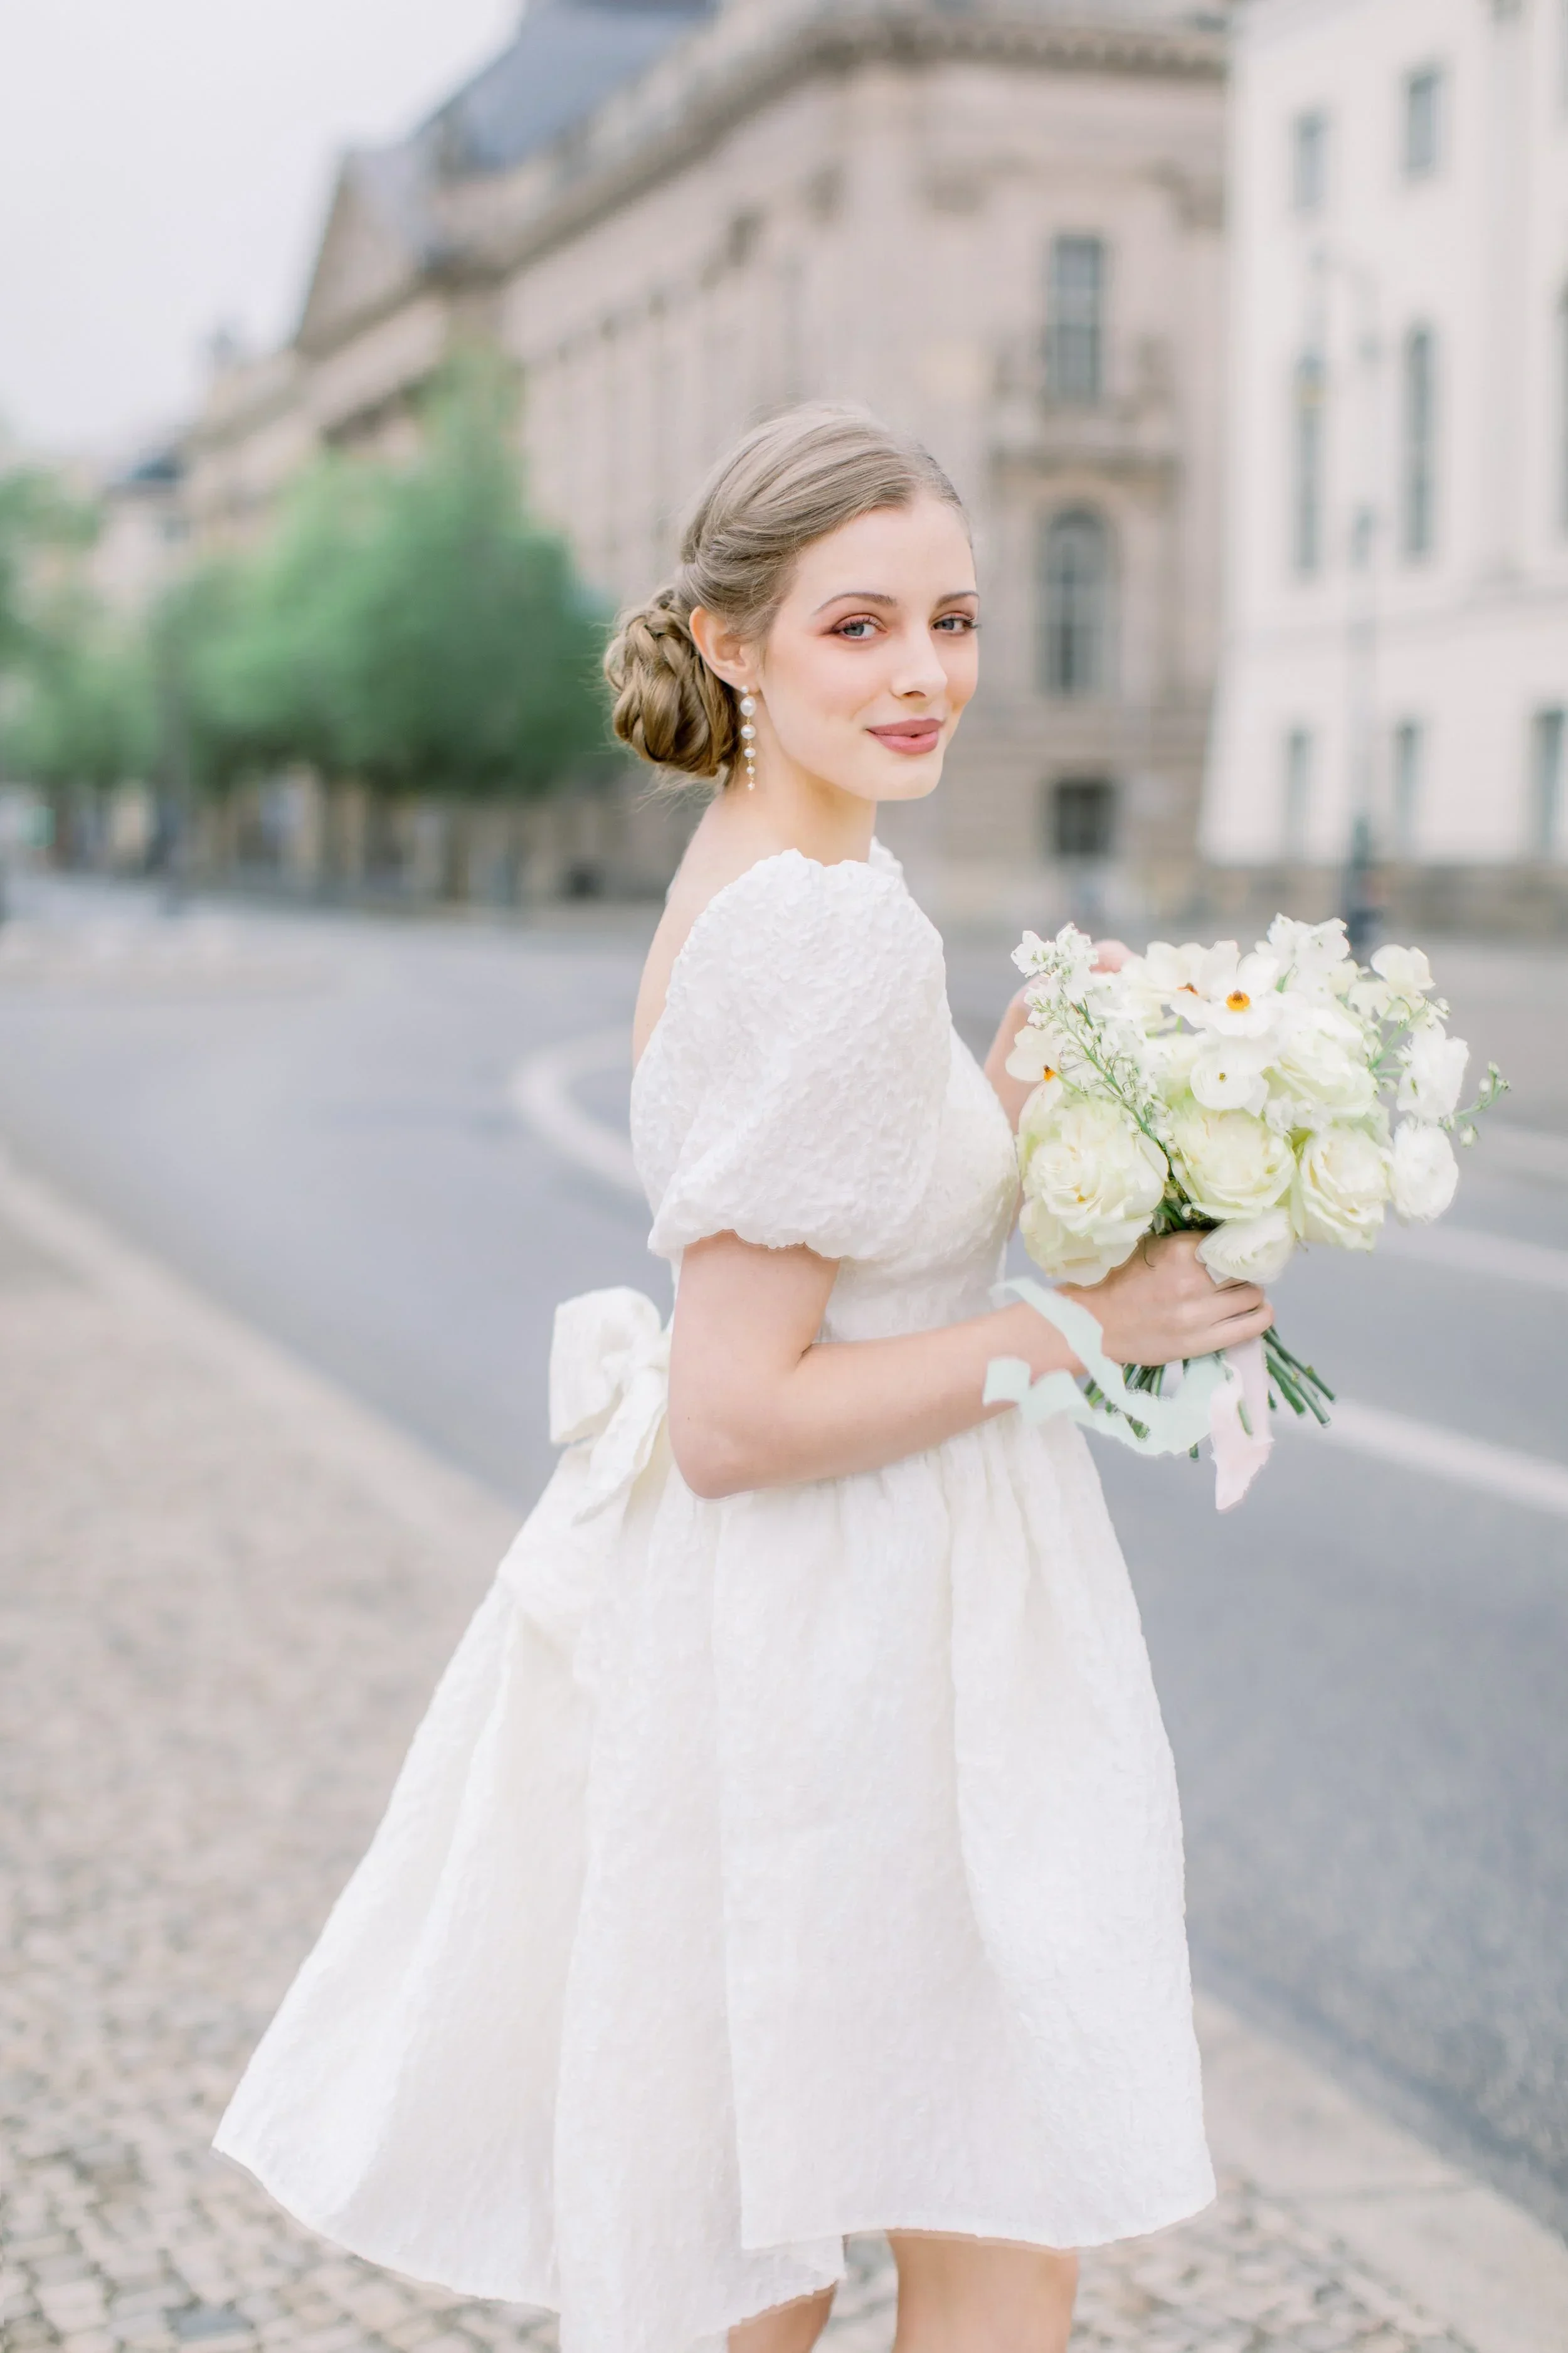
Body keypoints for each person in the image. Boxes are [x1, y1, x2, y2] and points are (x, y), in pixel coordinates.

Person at [213, 405, 1274, 2353]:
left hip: (815, 1619)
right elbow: (733, 1416)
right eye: (856, 627)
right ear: (730, 642)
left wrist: (992, 1108)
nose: (926, 673)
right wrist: (1082, 1327)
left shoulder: (775, 870)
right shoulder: (817, 923)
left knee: (791, 2229)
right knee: (958, 2212)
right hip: (854, 1630)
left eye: (951, 620)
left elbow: (828, 1248)